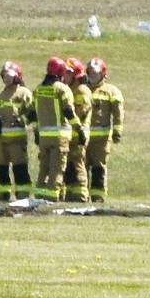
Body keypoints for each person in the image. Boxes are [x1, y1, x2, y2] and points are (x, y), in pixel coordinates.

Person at [27, 57, 86, 202]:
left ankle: (39, 195)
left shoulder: (38, 90)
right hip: (60, 137)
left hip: (44, 137)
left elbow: (31, 114)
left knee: (44, 168)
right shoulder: (62, 89)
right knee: (57, 169)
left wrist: (36, 131)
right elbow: (68, 112)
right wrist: (79, 128)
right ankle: (52, 198)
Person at [0, 61, 33, 201]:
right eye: (4, 76)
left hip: (17, 140)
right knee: (1, 168)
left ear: (17, 76)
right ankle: (3, 194)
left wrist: (22, 121)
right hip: (2, 140)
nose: (6, 79)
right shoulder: (0, 95)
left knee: (19, 168)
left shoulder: (23, 93)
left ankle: (22, 195)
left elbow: (32, 112)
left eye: (9, 76)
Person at [85, 57, 124, 202]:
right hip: (82, 139)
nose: (92, 75)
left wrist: (117, 131)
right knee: (81, 169)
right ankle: (81, 197)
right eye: (90, 72)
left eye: (95, 72)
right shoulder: (82, 89)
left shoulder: (111, 91)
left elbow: (118, 113)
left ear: (102, 73)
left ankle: (98, 198)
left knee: (98, 169)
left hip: (101, 141)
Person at [62, 57, 92, 202]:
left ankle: (80, 195)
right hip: (69, 135)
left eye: (68, 73)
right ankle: (70, 194)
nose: (64, 76)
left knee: (78, 164)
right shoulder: (68, 89)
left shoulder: (81, 90)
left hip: (78, 135)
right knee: (69, 167)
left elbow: (81, 112)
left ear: (75, 75)